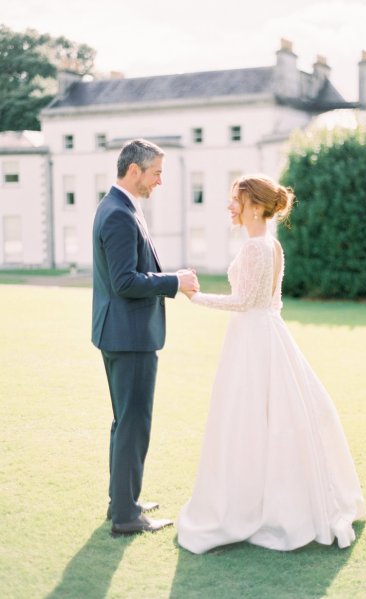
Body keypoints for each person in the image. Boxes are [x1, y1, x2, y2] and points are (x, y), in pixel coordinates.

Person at [177, 174, 366, 553]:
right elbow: (268, 303)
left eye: (237, 200)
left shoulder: (254, 249)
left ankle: (253, 508)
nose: (231, 206)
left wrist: (194, 297)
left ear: (257, 206)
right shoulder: (272, 245)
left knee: (248, 421)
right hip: (269, 336)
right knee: (277, 420)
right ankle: (280, 501)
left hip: (252, 340)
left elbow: (243, 302)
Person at [92, 138, 198, 535]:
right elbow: (124, 281)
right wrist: (175, 280)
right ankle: (126, 516)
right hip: (129, 336)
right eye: (156, 173)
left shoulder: (118, 206)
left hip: (121, 333)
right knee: (133, 423)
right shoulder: (119, 213)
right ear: (133, 170)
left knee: (126, 422)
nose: (160, 181)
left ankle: (122, 501)